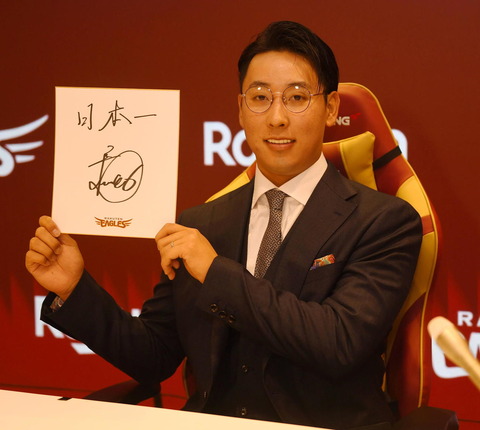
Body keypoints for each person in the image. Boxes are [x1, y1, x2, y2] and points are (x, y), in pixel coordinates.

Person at [26, 21, 422, 430]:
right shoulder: (203, 223)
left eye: (297, 98)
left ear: (332, 107)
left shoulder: (384, 221)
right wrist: (74, 288)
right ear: (240, 109)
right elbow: (154, 356)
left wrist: (215, 272)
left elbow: (338, 342)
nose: (277, 118)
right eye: (260, 98)